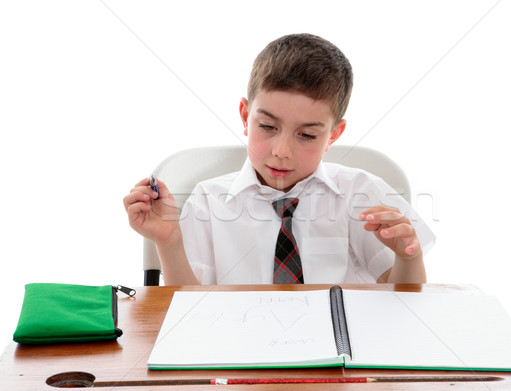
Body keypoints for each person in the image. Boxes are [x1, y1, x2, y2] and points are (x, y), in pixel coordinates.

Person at [123, 33, 435, 285]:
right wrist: (170, 243)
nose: (281, 151)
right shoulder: (207, 200)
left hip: (342, 360)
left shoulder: (360, 194)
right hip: (239, 355)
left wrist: (408, 257)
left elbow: (404, 302)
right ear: (246, 116)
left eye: (307, 135)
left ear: (334, 136)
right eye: (268, 127)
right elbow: (187, 307)